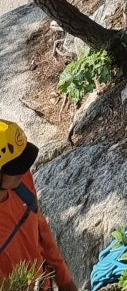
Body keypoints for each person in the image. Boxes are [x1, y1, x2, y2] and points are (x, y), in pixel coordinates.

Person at [0, 118, 77, 291]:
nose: (24, 169)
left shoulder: (22, 184)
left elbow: (40, 230)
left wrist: (65, 282)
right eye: (14, 166)